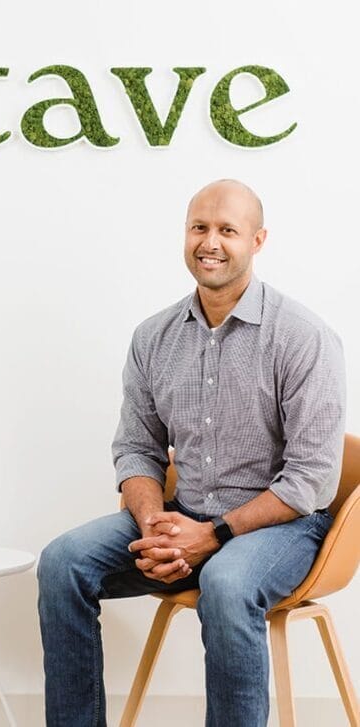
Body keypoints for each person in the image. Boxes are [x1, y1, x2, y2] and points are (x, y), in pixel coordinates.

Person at [37, 179, 346, 727]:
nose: (211, 242)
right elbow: (137, 448)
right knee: (63, 563)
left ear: (257, 240)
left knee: (225, 585)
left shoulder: (303, 337)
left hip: (283, 527)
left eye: (228, 230)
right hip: (184, 517)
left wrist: (214, 535)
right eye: (200, 227)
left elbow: (311, 482)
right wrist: (157, 524)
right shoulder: (154, 336)